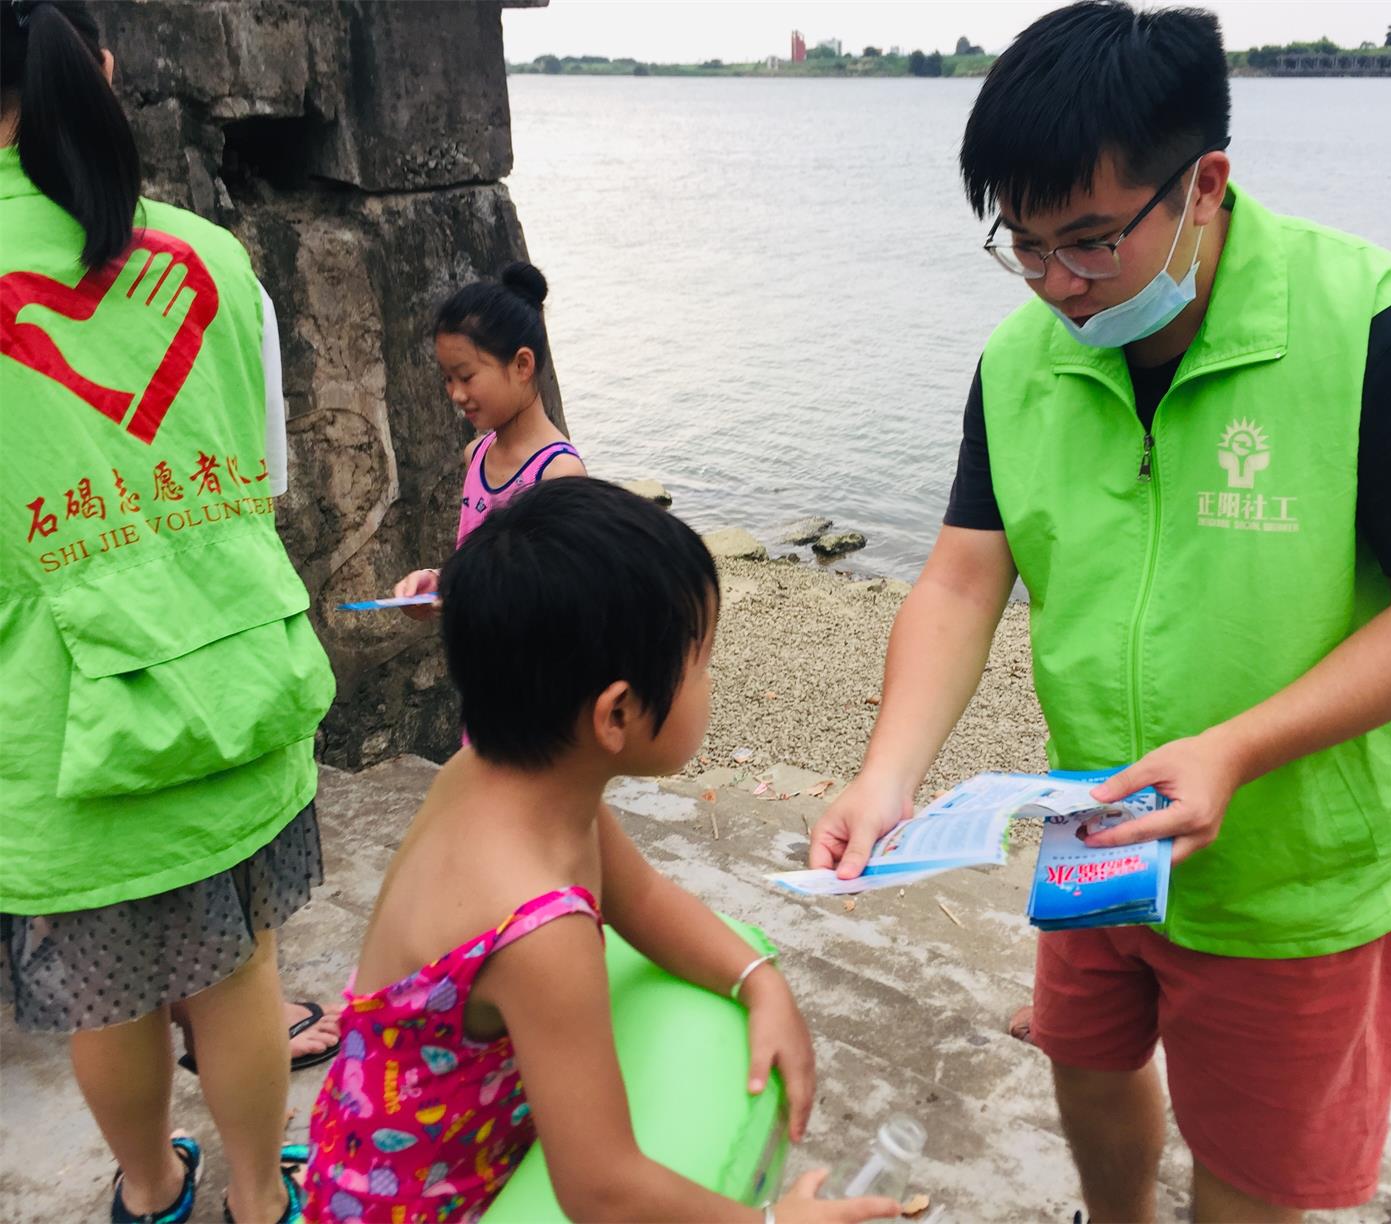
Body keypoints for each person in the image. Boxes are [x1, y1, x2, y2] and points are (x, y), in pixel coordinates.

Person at [808, 3, 1391, 1220]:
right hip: (1096, 830)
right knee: (1086, 1073)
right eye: (1022, 246)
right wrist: (888, 773)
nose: (1059, 287)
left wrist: (1237, 750)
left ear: (1204, 185)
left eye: (1089, 242)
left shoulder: (1378, 329)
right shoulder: (1023, 360)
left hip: (1287, 875)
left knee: (1250, 1176)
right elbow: (964, 579)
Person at [304, 479, 898, 1223]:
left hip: (376, 1142)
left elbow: (639, 898)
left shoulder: (505, 779)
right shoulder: (540, 932)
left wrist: (759, 981)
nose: (709, 684)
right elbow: (602, 1189)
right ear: (616, 713)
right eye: (702, 663)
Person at [0, 2, 338, 1221]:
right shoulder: (210, 255)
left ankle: (152, 1194)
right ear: (98, 71)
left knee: (110, 997)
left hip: (65, 733)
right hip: (240, 679)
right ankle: (263, 1201)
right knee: (243, 970)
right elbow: (264, 473)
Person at [392, 263, 584, 621]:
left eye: (466, 376)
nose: (456, 394)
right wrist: (440, 582)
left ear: (522, 366)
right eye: (447, 378)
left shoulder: (559, 472)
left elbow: (563, 595)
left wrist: (473, 597)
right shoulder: (476, 455)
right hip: (481, 662)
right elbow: (481, 563)